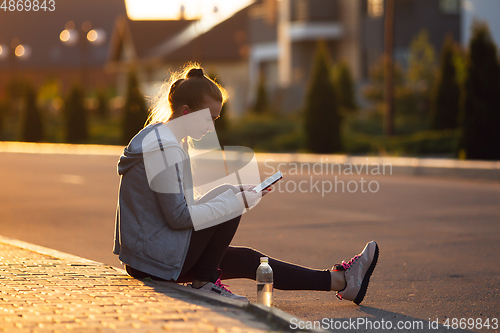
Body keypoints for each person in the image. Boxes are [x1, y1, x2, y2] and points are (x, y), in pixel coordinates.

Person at [113, 63, 379, 304]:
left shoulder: (166, 140)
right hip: (153, 261)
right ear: (186, 112)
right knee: (231, 202)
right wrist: (233, 203)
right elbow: (179, 217)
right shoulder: (164, 149)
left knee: (248, 258)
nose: (212, 127)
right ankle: (204, 282)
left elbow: (181, 208)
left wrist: (231, 197)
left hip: (153, 253)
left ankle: (341, 281)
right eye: (210, 119)